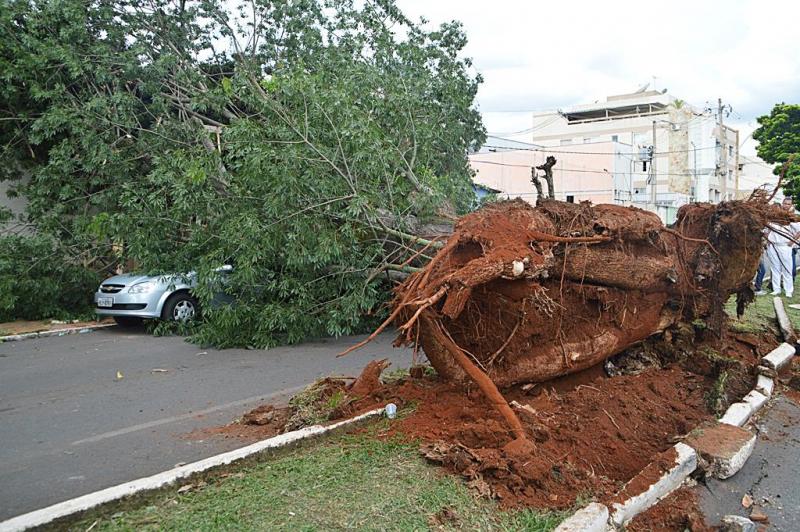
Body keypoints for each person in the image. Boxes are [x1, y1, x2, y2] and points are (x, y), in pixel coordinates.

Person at [765, 207, 800, 298]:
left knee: (787, 268)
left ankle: (788, 290)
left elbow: (799, 230)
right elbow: (765, 231)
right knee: (775, 268)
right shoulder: (772, 221)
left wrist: (792, 241)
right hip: (773, 246)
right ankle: (776, 289)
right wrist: (768, 239)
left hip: (785, 246)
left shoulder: (790, 221)